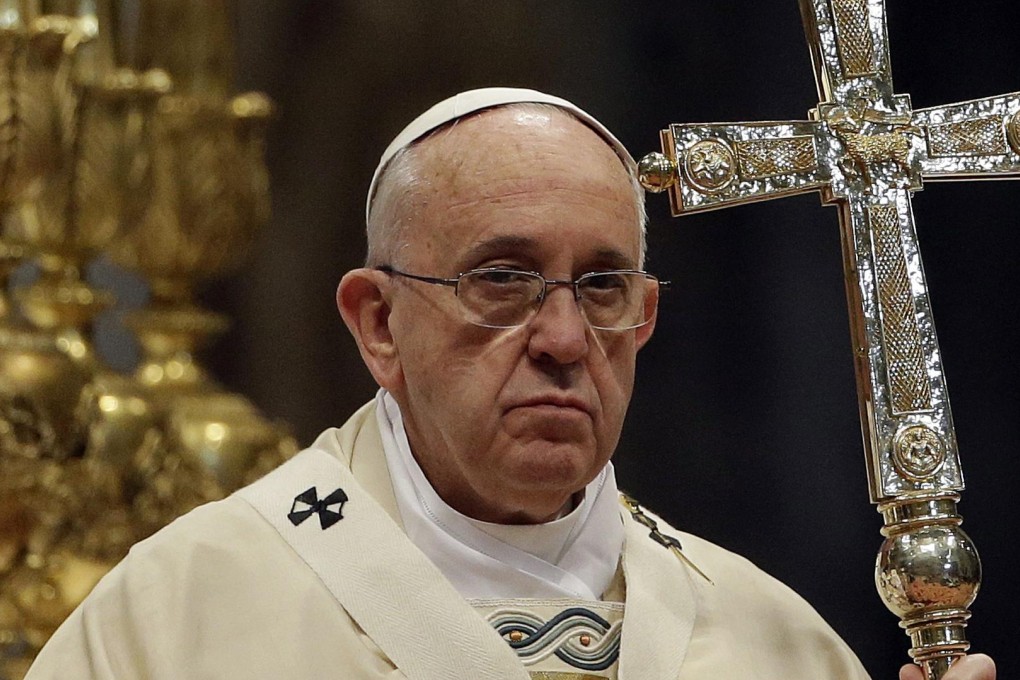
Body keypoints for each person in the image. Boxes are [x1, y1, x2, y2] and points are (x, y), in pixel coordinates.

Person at [26, 88, 995, 679]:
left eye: (604, 285)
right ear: (378, 323)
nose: (565, 339)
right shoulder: (185, 613)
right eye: (502, 279)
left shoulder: (771, 641)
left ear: (644, 319)